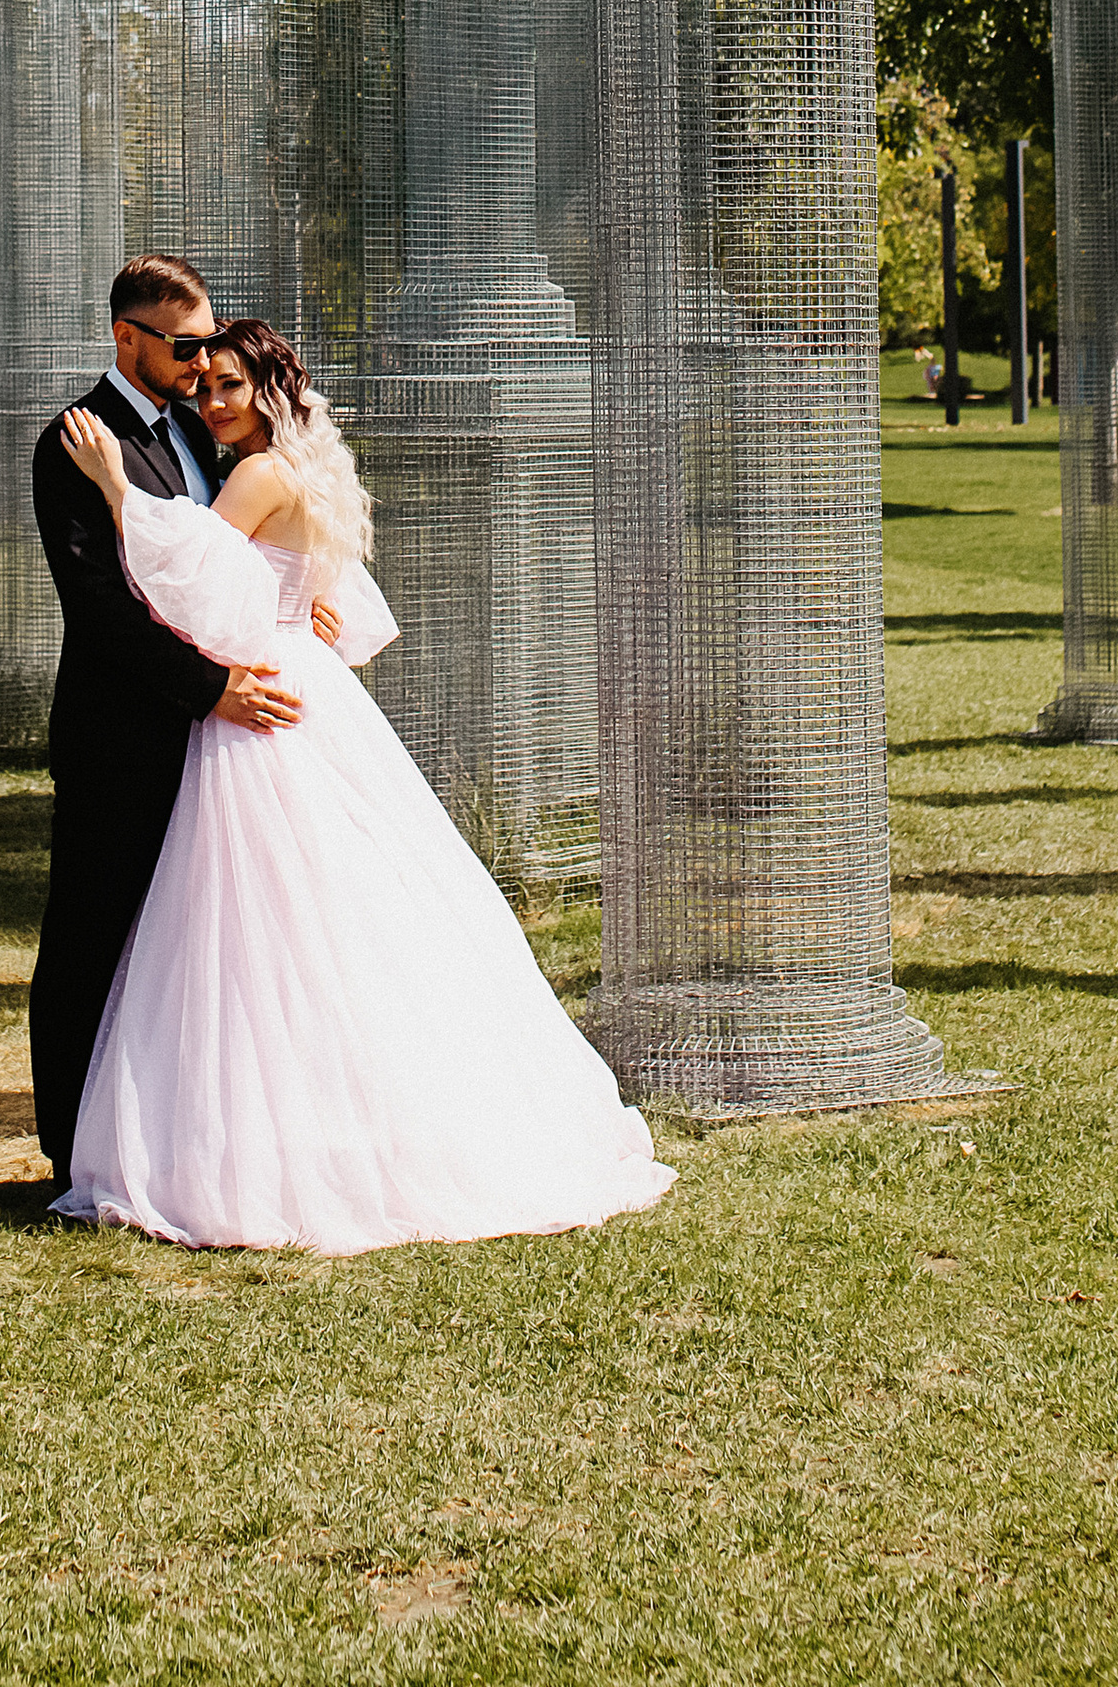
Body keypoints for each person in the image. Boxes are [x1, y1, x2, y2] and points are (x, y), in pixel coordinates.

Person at [55, 318, 675, 1255]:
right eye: (208, 384)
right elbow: (318, 588)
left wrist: (114, 489)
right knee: (320, 913)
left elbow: (189, 579)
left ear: (270, 392)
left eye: (231, 386)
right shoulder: (301, 469)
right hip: (306, 678)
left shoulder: (260, 474)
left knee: (262, 918)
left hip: (267, 697)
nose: (215, 401)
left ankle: (274, 1146)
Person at [26, 255, 310, 1186]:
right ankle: (73, 1154)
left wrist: (297, 605)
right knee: (89, 942)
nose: (202, 366)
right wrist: (211, 687)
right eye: (186, 348)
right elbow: (105, 610)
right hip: (123, 730)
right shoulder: (75, 440)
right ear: (128, 339)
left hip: (207, 746)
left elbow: (223, 563)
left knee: (183, 952)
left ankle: (163, 1150)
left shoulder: (201, 430)